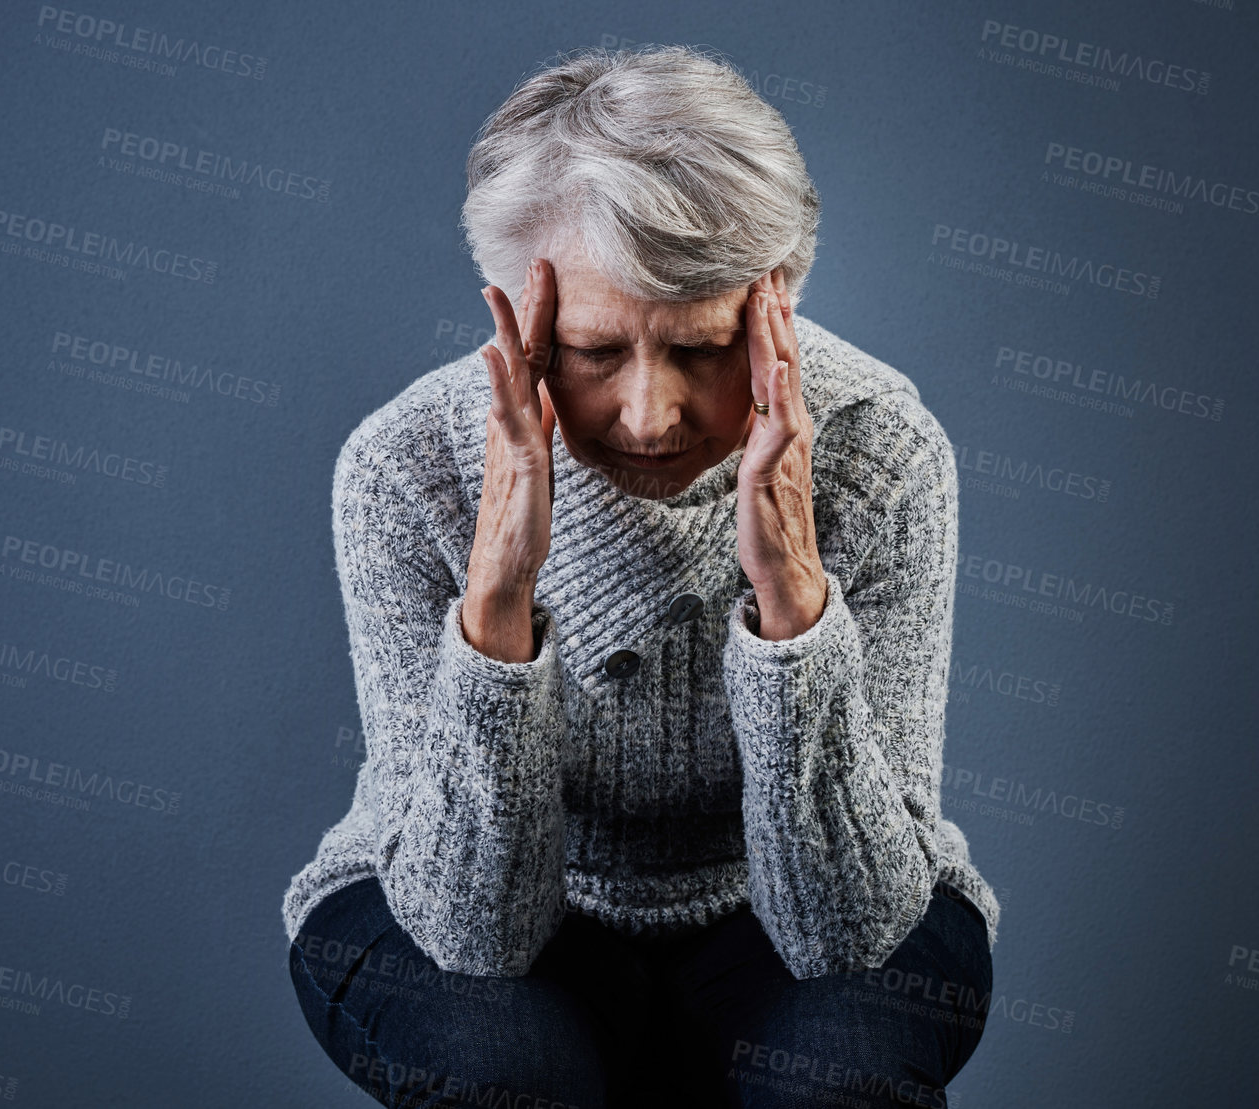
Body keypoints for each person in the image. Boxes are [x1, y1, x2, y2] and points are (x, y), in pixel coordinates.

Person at [282, 43, 998, 1109]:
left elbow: (846, 927)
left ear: (777, 306)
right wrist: (497, 601)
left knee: (836, 1082)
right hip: (448, 886)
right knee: (507, 1078)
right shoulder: (406, 466)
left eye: (703, 348)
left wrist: (792, 603)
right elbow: (470, 931)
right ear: (514, 319)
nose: (651, 414)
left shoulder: (881, 449)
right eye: (593, 351)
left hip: (808, 891)